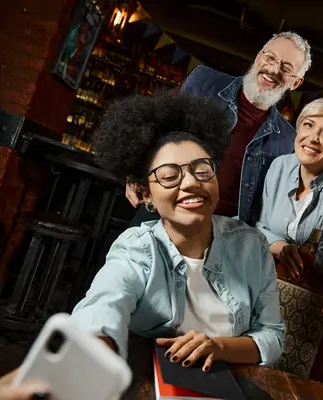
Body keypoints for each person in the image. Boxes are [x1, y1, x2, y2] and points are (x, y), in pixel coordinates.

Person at [68, 93, 284, 369]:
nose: (192, 183)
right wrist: (89, 352)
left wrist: (218, 347)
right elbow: (103, 306)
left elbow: (272, 336)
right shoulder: (138, 248)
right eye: (170, 176)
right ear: (146, 193)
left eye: (203, 170)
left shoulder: (251, 245)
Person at [127, 31, 312, 226]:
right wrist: (135, 172)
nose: (273, 69)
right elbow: (159, 126)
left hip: (215, 239)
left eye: (286, 68)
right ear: (258, 57)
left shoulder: (287, 141)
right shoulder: (203, 81)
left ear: (295, 83)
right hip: (160, 213)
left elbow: (270, 206)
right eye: (270, 57)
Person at [255, 97, 323, 286]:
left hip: (312, 295)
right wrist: (281, 247)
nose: (313, 137)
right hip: (263, 280)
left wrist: (271, 247)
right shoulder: (280, 165)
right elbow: (256, 228)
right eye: (308, 125)